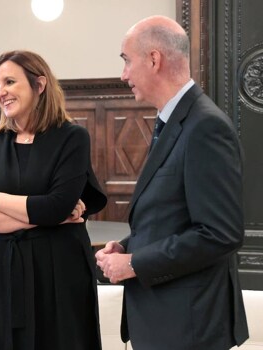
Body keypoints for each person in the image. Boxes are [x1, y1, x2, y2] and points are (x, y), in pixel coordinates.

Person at [95, 15, 249, 349]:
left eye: (126, 61)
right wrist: (128, 246)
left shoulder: (206, 127)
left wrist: (134, 263)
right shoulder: (176, 120)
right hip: (166, 323)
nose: (123, 75)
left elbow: (220, 233)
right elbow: (172, 217)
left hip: (189, 328)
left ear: (154, 59)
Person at [0, 50, 107, 350]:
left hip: (61, 271)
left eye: (10, 82)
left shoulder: (72, 137)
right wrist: (47, 214)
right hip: (6, 271)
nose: (1, 92)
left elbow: (56, 207)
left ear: (39, 85)